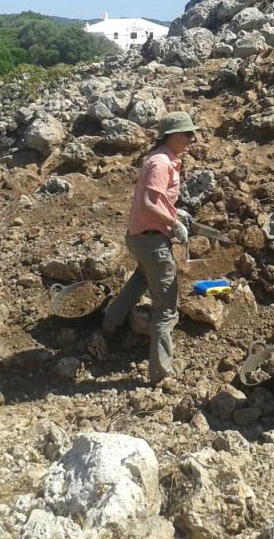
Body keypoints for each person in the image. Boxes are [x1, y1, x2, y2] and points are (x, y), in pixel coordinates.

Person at [90, 111, 198, 384]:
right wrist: (174, 224)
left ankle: (110, 323)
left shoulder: (162, 160)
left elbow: (154, 201)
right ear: (172, 135)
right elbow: (149, 205)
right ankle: (160, 374)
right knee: (166, 307)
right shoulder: (161, 163)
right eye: (187, 134)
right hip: (152, 241)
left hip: (140, 238)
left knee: (140, 278)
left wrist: (176, 212)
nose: (191, 139)